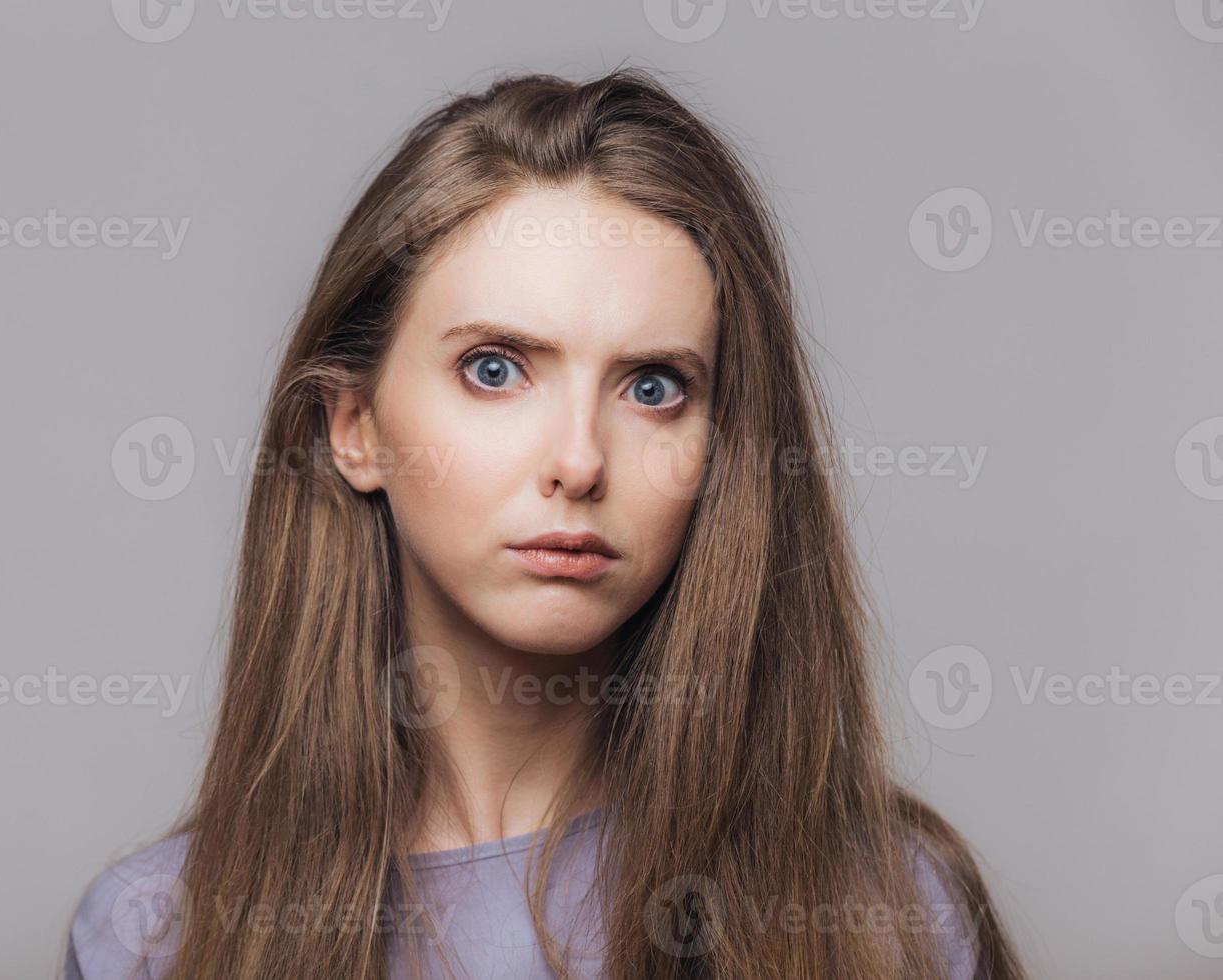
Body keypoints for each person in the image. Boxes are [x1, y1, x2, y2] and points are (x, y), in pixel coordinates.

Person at [63, 66, 1027, 979]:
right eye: (496, 368)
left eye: (654, 387)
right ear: (353, 428)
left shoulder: (884, 909)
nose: (579, 460)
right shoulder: (159, 937)